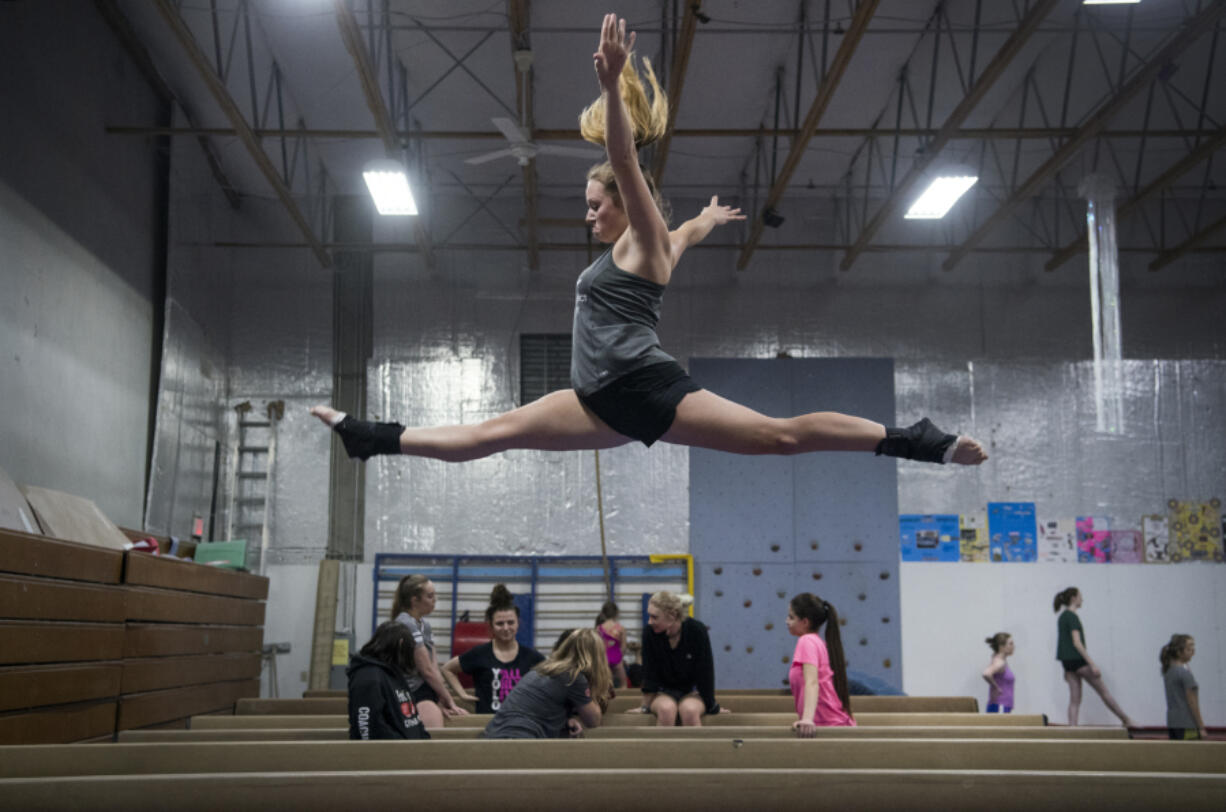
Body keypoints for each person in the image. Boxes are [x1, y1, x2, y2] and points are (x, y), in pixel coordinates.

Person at [309, 15, 987, 471]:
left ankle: (914, 440)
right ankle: (372, 438)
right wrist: (710, 218)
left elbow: (629, 167)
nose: (588, 217)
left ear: (621, 205)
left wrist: (611, 88)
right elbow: (684, 231)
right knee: (493, 435)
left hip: (648, 388)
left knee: (779, 436)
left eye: (593, 205)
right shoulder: (655, 243)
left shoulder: (641, 239)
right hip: (597, 397)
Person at [482, 627, 612, 739]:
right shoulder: (573, 676)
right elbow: (593, 721)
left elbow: (544, 707)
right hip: (519, 736)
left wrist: (566, 720)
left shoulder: (544, 668)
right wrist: (596, 682)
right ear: (597, 657)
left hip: (495, 732)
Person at [441, 584, 545, 714]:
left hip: (520, 724)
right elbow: (447, 669)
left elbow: (553, 680)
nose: (506, 628)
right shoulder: (480, 654)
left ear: (518, 623)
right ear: (490, 625)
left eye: (511, 622)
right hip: (487, 724)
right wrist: (462, 694)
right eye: (500, 624)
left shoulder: (532, 657)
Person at [636, 591, 724, 726]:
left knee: (689, 711)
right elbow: (649, 673)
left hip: (690, 692)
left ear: (672, 616)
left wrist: (712, 706)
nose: (649, 621)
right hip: (663, 692)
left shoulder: (697, 630)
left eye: (654, 617)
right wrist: (644, 707)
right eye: (649, 616)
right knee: (666, 710)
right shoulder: (650, 633)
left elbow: (705, 671)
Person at [390, 574, 467, 728]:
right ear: (415, 600)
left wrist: (442, 698)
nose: (435, 599)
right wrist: (450, 701)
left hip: (425, 689)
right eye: (430, 596)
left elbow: (434, 667)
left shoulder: (425, 625)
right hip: (410, 693)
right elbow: (426, 670)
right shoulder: (405, 624)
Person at [1053, 587, 1134, 727]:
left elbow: (1064, 642)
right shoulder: (1072, 616)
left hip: (1067, 663)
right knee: (1104, 692)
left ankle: (1072, 729)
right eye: (1080, 596)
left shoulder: (1062, 617)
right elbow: (1077, 643)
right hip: (1078, 661)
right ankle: (1126, 720)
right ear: (1073, 598)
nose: (1082, 599)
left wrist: (1066, 669)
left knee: (1074, 699)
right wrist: (1092, 664)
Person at [346, 621, 429, 740]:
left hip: (409, 751)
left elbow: (413, 719)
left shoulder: (393, 672)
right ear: (401, 645)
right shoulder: (368, 677)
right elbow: (369, 728)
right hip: (388, 754)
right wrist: (403, 749)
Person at [786, 593, 855, 737]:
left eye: (791, 617)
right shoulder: (816, 642)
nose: (787, 621)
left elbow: (812, 682)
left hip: (829, 724)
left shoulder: (807, 641)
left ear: (805, 622)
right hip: (831, 722)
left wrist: (807, 719)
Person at [1161, 634, 1207, 740]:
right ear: (1179, 652)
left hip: (1173, 723)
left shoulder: (1168, 672)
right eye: (1189, 648)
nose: (1193, 651)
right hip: (1187, 724)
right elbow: (1192, 702)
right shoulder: (1184, 674)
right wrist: (1201, 727)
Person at [596, 600, 629, 688]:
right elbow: (624, 647)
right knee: (623, 685)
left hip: (604, 659)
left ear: (602, 613)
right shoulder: (621, 629)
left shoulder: (599, 628)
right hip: (617, 658)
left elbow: (597, 647)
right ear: (617, 614)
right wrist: (619, 657)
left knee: (605, 687)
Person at [982, 632, 1015, 713]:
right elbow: (986, 673)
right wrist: (996, 687)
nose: (1013, 647)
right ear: (1001, 647)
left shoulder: (1000, 660)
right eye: (1010, 644)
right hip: (1000, 706)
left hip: (1003, 706)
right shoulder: (1000, 662)